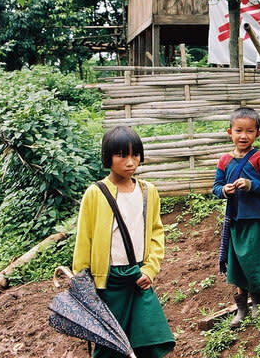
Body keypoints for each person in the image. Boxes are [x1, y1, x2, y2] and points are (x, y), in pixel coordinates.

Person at [73, 126, 175, 358]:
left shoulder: (149, 191)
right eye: (122, 155)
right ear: (108, 157)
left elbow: (156, 234)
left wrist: (149, 270)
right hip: (108, 282)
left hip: (139, 277)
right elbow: (84, 239)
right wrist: (83, 283)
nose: (131, 162)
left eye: (135, 155)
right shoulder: (95, 193)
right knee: (110, 346)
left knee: (150, 339)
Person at [212, 107, 260, 328]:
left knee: (254, 259)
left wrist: (251, 185)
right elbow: (215, 187)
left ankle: (256, 302)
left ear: (258, 134)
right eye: (239, 131)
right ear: (229, 132)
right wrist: (225, 190)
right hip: (235, 219)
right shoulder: (224, 161)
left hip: (256, 217)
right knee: (238, 263)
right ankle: (241, 307)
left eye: (250, 131)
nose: (244, 136)